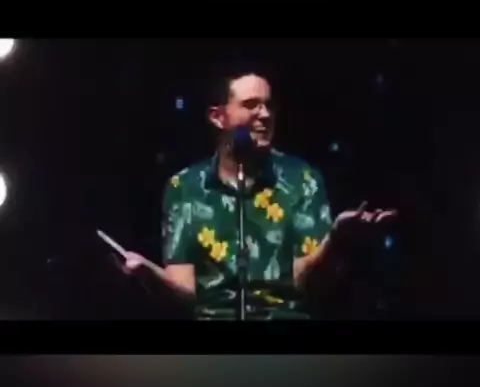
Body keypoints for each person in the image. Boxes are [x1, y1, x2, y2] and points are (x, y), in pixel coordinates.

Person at [120, 66, 396, 320]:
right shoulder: (184, 187)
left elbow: (308, 283)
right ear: (218, 117)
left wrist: (336, 240)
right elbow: (183, 291)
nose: (264, 115)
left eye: (268, 105)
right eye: (251, 105)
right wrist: (148, 273)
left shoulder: (302, 179)